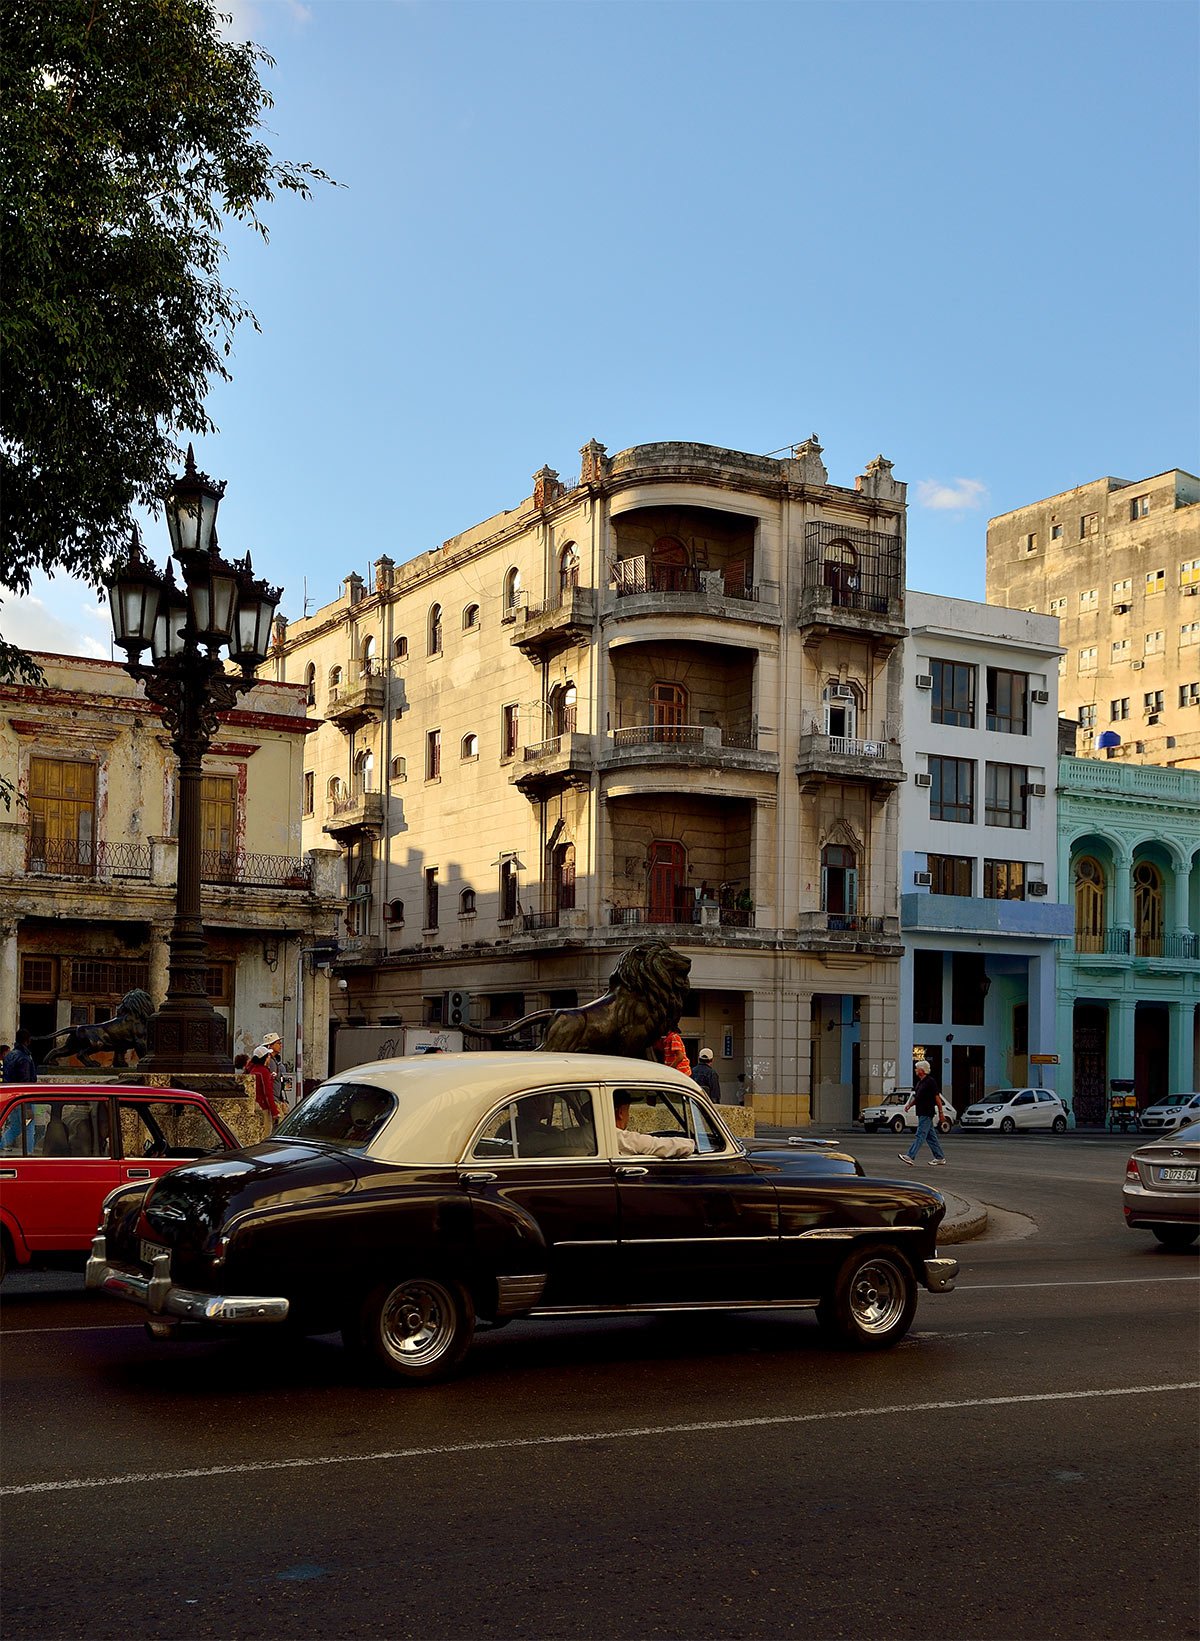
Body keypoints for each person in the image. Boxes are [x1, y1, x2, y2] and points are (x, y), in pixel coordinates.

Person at [613, 1093, 695, 1158]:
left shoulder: (605, 1136)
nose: (629, 1115)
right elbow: (661, 1146)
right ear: (620, 1113)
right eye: (627, 1110)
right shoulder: (622, 1138)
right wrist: (692, 1145)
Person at [900, 1060, 946, 1167]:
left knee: (920, 1134)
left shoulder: (930, 1081)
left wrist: (941, 1112)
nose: (915, 1070)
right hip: (921, 1112)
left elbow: (937, 1097)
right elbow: (918, 1097)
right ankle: (939, 1157)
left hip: (927, 1112)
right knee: (931, 1137)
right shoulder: (920, 1083)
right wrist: (910, 1105)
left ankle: (910, 1156)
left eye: (917, 1068)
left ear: (922, 1070)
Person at [247, 1043, 279, 1123]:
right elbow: (267, 1093)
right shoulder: (263, 1071)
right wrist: (274, 1112)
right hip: (263, 1106)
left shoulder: (252, 1070)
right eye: (268, 1056)